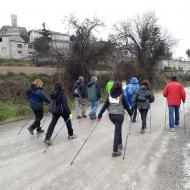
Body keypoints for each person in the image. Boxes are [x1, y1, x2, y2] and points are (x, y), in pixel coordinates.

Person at [97, 81, 132, 157]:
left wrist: (100, 114)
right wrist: (131, 114)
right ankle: (115, 151)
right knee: (117, 131)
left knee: (118, 128)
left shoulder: (110, 95)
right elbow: (126, 106)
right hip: (119, 116)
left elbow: (105, 105)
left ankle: (120, 144)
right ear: (120, 87)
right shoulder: (122, 96)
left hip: (111, 116)